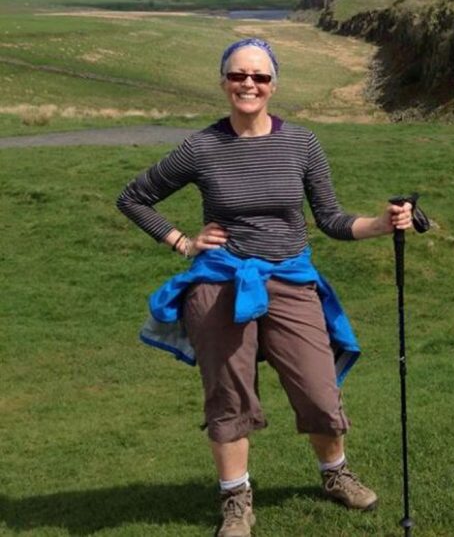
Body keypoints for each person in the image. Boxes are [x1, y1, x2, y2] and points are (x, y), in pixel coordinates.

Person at [116, 37, 412, 537]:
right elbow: (134, 197)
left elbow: (332, 219)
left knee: (319, 390)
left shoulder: (301, 143)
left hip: (292, 280)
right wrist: (184, 243)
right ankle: (236, 500)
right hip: (221, 283)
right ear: (224, 82)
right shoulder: (202, 147)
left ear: (274, 84)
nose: (248, 84)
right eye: (238, 75)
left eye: (259, 76)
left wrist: (382, 225)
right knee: (228, 394)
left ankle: (334, 474)